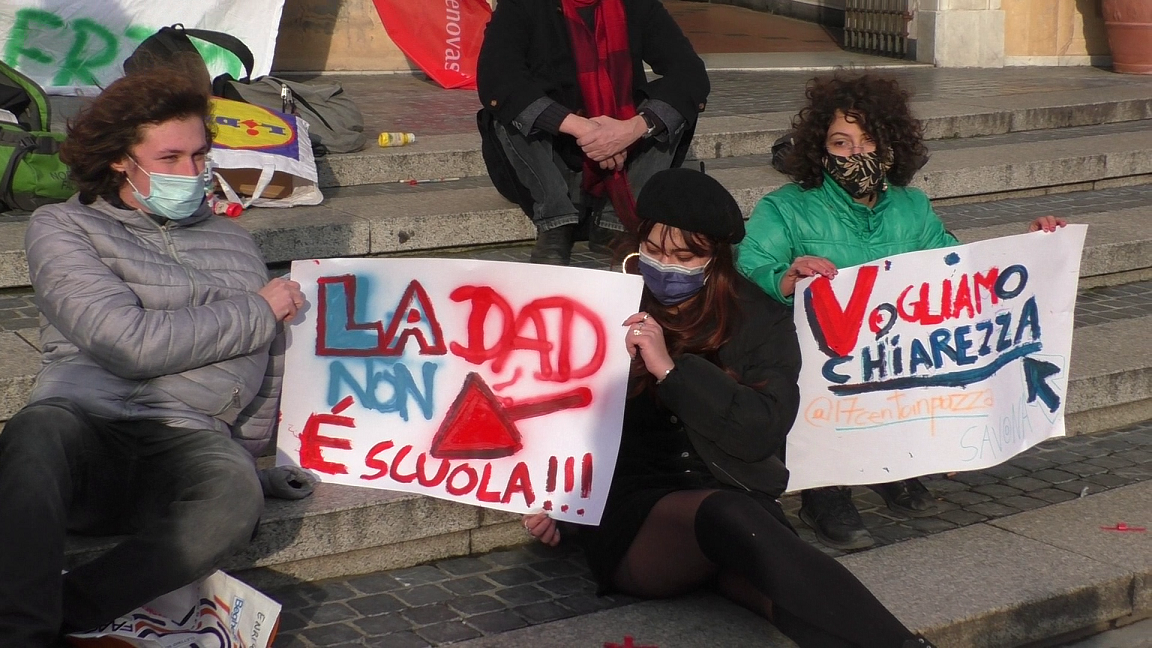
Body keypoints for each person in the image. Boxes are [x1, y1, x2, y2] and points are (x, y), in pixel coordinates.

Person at [524, 168, 937, 648]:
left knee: (784, 598)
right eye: (653, 250)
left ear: (715, 258)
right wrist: (555, 499)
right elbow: (560, 413)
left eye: (685, 257)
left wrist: (672, 371)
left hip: (738, 499)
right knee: (730, 516)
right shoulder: (607, 306)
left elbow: (761, 430)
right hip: (641, 516)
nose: (665, 265)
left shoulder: (758, 318)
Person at [0, 64, 314, 647]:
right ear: (122, 159)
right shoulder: (64, 226)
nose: (190, 172)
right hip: (84, 425)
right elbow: (128, 342)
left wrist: (246, 459)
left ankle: (66, 611)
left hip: (187, 438)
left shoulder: (233, 239)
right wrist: (254, 311)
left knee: (233, 496)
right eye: (169, 158)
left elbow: (266, 359)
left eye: (199, 155)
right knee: (34, 436)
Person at [736, 73, 1066, 550]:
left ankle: (895, 465)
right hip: (819, 357)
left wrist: (1032, 250)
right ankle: (825, 491)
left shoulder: (912, 206)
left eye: (869, 140)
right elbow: (749, 265)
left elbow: (958, 270)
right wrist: (785, 277)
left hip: (892, 352)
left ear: (891, 144)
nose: (857, 153)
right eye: (841, 142)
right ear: (819, 149)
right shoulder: (786, 208)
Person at [476, 0, 710, 265]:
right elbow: (497, 78)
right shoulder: (522, 5)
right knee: (508, 107)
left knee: (674, 105)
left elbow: (690, 73)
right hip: (552, 155)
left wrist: (631, 129)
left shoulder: (637, 5)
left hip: (623, 151)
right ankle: (556, 222)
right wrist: (584, 129)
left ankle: (614, 221)